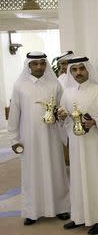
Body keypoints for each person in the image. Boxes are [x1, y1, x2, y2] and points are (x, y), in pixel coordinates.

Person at [57, 56, 98, 235]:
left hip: (95, 143)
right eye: (74, 69)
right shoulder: (67, 93)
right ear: (70, 72)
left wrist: (95, 122)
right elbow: (65, 115)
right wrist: (62, 117)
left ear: (88, 70)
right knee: (77, 179)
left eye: (81, 69)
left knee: (97, 178)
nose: (78, 72)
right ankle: (79, 216)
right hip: (76, 143)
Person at [7, 51, 70, 225]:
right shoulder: (20, 86)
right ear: (29, 66)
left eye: (42, 63)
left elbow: (62, 107)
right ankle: (31, 211)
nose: (39, 67)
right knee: (31, 173)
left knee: (55, 170)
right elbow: (14, 114)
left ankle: (61, 208)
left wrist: (62, 115)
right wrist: (14, 139)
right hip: (29, 138)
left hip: (51, 135)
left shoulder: (54, 85)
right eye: (36, 64)